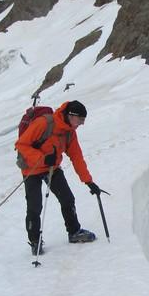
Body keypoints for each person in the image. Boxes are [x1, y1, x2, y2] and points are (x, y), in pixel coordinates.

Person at [15, 100, 102, 255]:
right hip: (31, 169)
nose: (82, 124)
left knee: (67, 199)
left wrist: (88, 181)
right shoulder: (44, 123)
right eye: (80, 120)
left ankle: (74, 232)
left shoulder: (69, 132)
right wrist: (41, 159)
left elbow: (77, 158)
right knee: (34, 207)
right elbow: (22, 144)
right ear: (71, 115)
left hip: (52, 168)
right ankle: (35, 241)